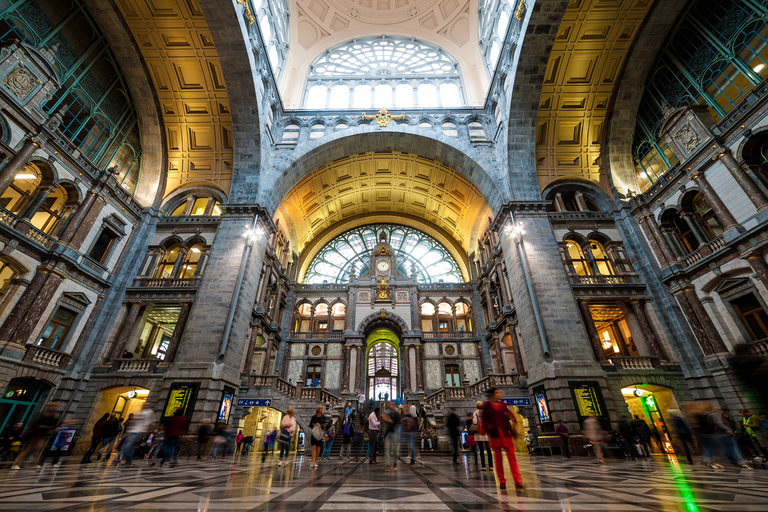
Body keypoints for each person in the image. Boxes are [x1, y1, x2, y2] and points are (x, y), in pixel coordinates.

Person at [482, 388, 523, 490]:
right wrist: (490, 428)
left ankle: (518, 481)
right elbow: (484, 420)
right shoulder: (486, 405)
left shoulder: (503, 405)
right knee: (498, 459)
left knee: (512, 457)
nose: (499, 394)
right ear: (492, 395)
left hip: (505, 433)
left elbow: (511, 415)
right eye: (497, 393)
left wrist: (509, 417)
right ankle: (502, 480)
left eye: (499, 392)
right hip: (495, 435)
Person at [11, 402, 60, 470]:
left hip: (43, 436)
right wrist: (44, 427)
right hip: (36, 435)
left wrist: (49, 427)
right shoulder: (43, 414)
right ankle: (15, 464)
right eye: (53, 406)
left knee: (40, 450)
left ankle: (36, 464)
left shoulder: (53, 416)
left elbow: (53, 425)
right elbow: (35, 424)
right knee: (27, 450)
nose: (54, 408)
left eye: (55, 407)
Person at [119, 402, 154, 466]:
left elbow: (149, 424)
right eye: (143, 405)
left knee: (128, 446)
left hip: (138, 432)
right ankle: (128, 461)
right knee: (128, 446)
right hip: (133, 431)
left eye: (146, 405)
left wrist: (144, 433)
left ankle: (128, 461)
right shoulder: (140, 412)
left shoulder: (149, 413)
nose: (143, 406)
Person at [472, 401, 493, 471]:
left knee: (481, 450)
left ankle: (483, 465)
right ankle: (491, 465)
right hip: (486, 432)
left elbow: (474, 422)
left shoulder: (475, 412)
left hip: (479, 432)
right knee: (488, 449)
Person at [382, 401, 400, 471]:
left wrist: (388, 419)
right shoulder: (387, 412)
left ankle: (395, 463)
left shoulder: (396, 413)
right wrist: (387, 419)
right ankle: (387, 464)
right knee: (387, 449)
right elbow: (383, 418)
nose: (391, 406)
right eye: (390, 404)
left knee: (395, 450)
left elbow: (394, 421)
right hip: (387, 433)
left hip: (394, 433)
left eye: (392, 404)